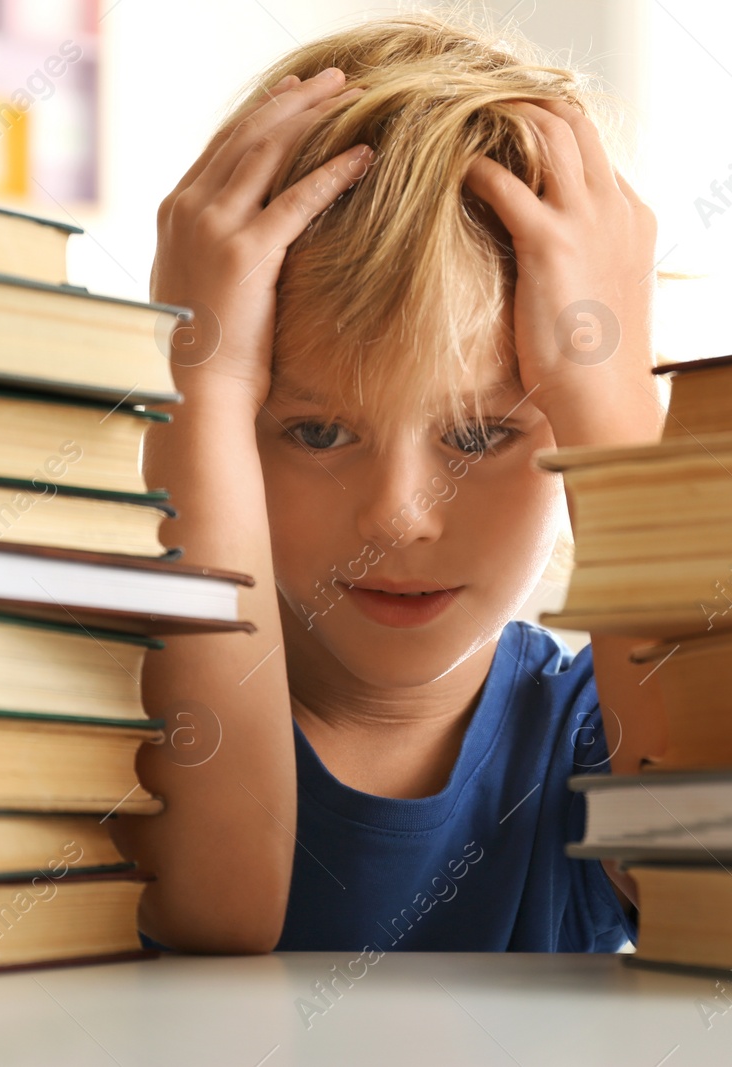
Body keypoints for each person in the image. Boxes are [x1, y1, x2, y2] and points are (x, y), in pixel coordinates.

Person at [116, 10, 668, 953]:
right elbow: (220, 918)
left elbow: (726, 888)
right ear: (224, 439)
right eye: (320, 430)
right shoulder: (136, 704)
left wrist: (609, 393)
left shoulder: (588, 730)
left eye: (480, 432)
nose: (397, 515)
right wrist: (201, 378)